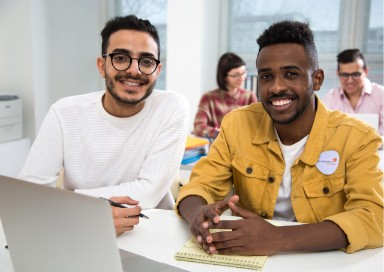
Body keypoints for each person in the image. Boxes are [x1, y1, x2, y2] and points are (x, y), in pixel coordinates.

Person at [176, 20, 383, 256]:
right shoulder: (237, 124)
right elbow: (198, 186)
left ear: (317, 79)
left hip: (323, 260)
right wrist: (197, 216)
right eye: (266, 76)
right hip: (248, 259)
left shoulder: (356, 137)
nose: (276, 87)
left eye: (290, 74)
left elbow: (373, 217)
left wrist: (277, 238)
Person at [19, 15, 189, 236]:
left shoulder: (171, 107)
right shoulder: (64, 112)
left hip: (151, 236)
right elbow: (29, 195)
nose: (134, 70)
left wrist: (72, 202)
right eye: (121, 58)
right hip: (78, 233)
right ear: (102, 66)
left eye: (146, 61)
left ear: (157, 70)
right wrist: (86, 215)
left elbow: (150, 192)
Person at [193, 52, 257, 138]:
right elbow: (199, 127)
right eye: (236, 75)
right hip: (218, 147)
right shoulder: (208, 98)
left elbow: (257, 126)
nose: (242, 77)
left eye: (244, 72)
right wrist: (222, 134)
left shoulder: (249, 96)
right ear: (224, 77)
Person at [322, 49, 383, 135]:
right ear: (338, 73)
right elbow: (323, 131)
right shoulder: (330, 98)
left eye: (356, 74)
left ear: (365, 72)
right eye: (344, 75)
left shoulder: (381, 95)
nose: (350, 80)